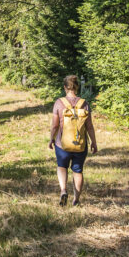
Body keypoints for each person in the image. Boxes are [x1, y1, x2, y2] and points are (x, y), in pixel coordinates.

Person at [48, 74, 97, 206]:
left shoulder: (59, 103)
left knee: (62, 166)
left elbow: (55, 125)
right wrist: (94, 142)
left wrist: (51, 139)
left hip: (62, 144)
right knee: (77, 170)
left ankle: (63, 190)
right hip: (80, 144)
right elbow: (90, 126)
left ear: (65, 87)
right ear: (77, 87)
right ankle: (76, 200)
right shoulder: (84, 103)